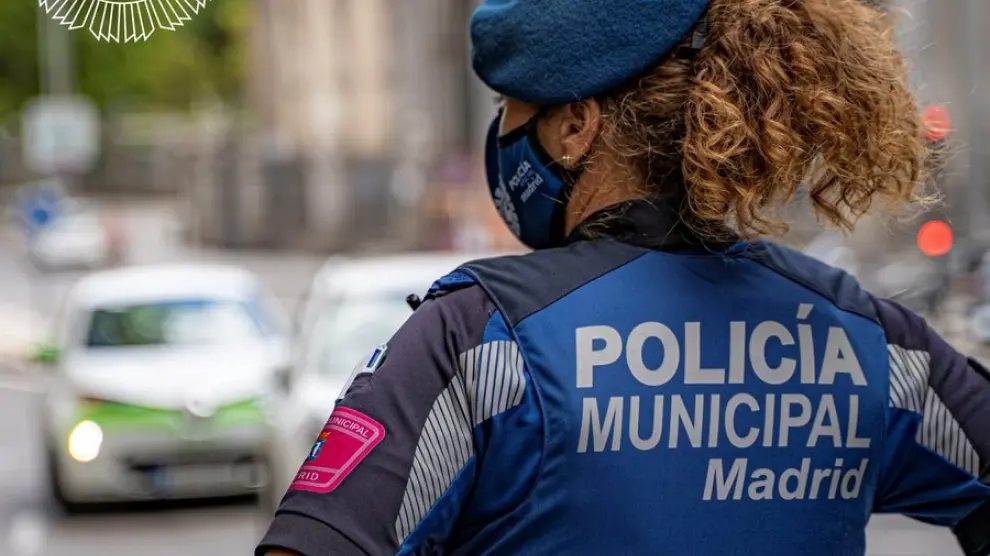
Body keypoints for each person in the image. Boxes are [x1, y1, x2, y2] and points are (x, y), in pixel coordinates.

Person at [258, 0, 990, 554]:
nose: (502, 133)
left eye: (510, 109)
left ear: (576, 125)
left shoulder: (480, 339)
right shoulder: (866, 340)